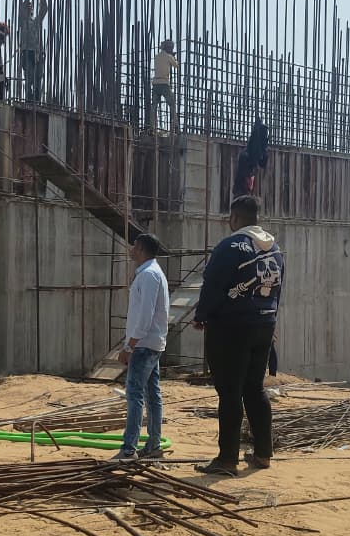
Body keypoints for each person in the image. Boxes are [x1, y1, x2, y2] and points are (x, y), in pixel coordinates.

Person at [191, 195, 285, 476]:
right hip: (264, 324)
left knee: (230, 392)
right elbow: (278, 288)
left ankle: (227, 459)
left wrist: (201, 316)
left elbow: (212, 284)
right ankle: (263, 453)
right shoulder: (274, 249)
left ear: (234, 218)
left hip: (232, 328)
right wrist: (271, 321)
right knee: (255, 388)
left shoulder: (230, 246)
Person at [114, 233, 171, 461]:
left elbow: (145, 316)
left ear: (141, 249)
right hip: (152, 343)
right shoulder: (153, 273)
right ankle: (153, 444)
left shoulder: (148, 275)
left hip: (144, 345)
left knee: (135, 395)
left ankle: (129, 449)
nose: (131, 249)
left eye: (134, 246)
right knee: (152, 395)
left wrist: (129, 346)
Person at [18, 0, 49, 103]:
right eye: (27, 6)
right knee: (29, 78)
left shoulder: (36, 22)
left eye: (30, 6)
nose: (29, 7)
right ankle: (29, 100)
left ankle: (36, 101)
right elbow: (24, 3)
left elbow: (45, 8)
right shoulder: (23, 20)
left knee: (37, 79)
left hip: (37, 53)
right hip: (27, 52)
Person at [232, 116, 269, 196]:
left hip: (246, 185)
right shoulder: (246, 155)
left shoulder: (259, 148)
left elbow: (263, 163)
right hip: (242, 188)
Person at [149, 39, 179, 134]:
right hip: (164, 84)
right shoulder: (168, 57)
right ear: (168, 48)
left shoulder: (156, 56)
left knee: (154, 106)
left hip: (155, 84)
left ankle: (152, 127)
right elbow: (176, 65)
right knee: (172, 104)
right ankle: (176, 126)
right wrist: (173, 57)